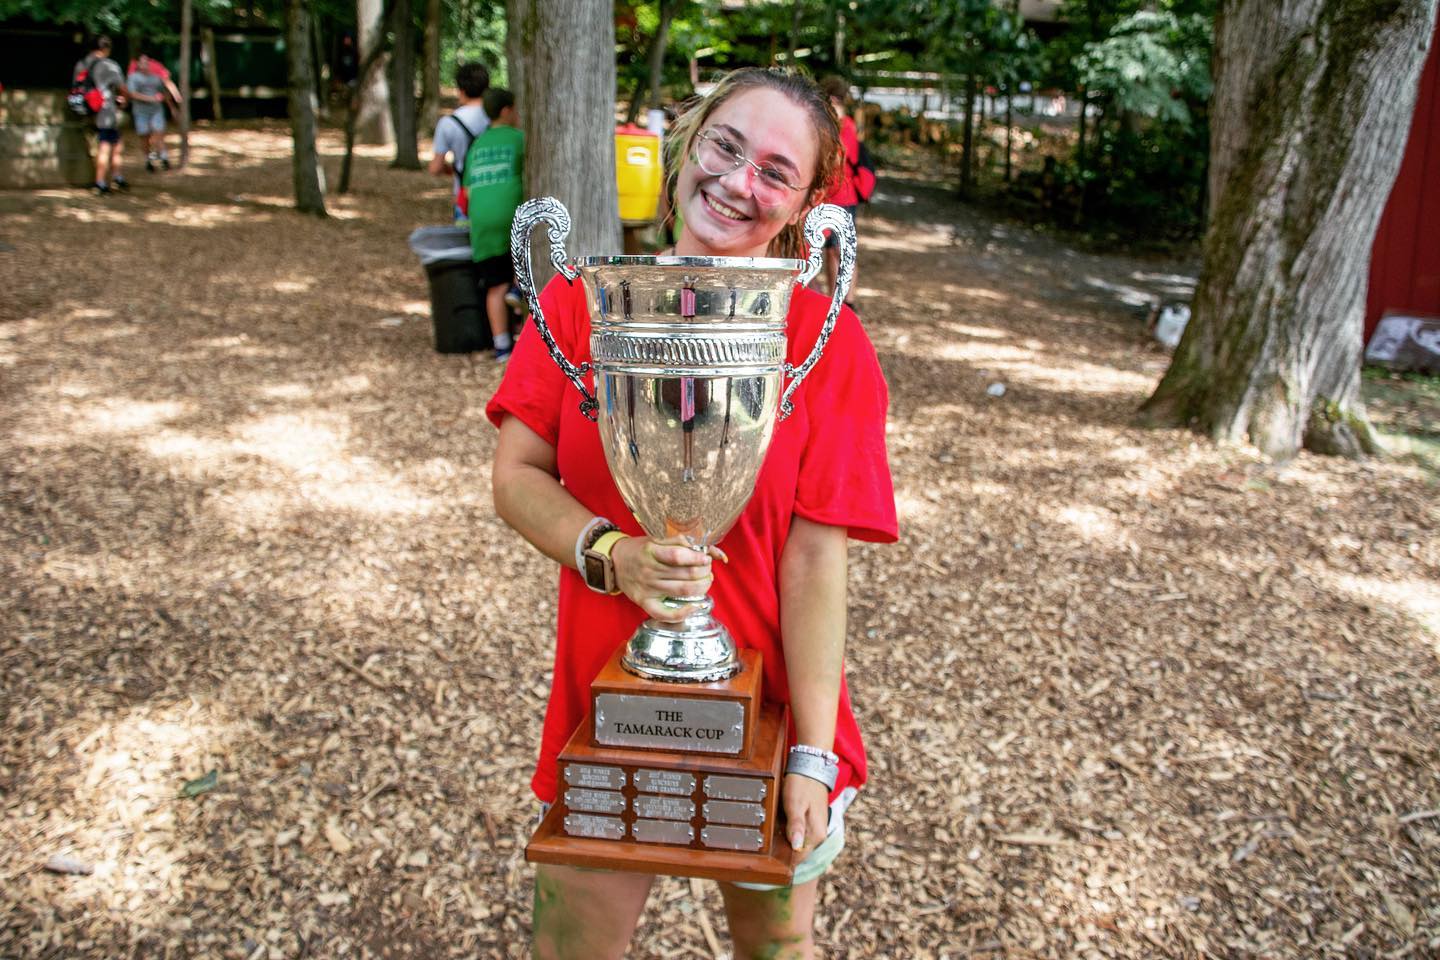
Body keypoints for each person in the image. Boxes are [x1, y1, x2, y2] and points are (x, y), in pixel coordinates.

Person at [487, 67, 897, 959]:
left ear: (802, 207)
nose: (739, 181)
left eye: (777, 173)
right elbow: (515, 475)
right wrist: (609, 554)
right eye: (726, 145)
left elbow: (817, 561)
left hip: (775, 717)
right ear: (688, 142)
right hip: (609, 701)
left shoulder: (827, 339)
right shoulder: (580, 303)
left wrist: (811, 756)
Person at [462, 88, 523, 362]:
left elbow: (466, 193)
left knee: (493, 287)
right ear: (507, 110)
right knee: (524, 265)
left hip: (481, 221)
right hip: (511, 215)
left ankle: (502, 348)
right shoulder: (518, 139)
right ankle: (518, 288)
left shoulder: (476, 145)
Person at [817, 75, 861, 309]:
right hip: (823, 195)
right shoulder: (823, 124)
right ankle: (834, 299)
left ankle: (847, 301)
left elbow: (838, 158)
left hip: (843, 196)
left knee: (841, 250)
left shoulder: (847, 127)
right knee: (825, 251)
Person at [428, 61, 490, 224]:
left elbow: (435, 168)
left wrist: (453, 169)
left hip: (465, 198)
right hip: (496, 194)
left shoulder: (448, 123)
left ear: (461, 90)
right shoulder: (496, 118)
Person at [75, 36, 129, 195]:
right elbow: (122, 88)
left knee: (98, 145)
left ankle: (113, 177)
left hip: (85, 110)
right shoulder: (110, 65)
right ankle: (102, 182)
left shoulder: (81, 64)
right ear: (106, 49)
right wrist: (124, 101)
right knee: (110, 146)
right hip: (105, 111)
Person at [127, 49, 182, 172]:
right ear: (138, 64)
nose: (145, 65)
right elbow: (132, 94)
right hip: (141, 112)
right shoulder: (133, 78)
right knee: (144, 137)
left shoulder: (156, 78)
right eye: (142, 62)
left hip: (156, 110)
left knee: (158, 133)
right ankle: (148, 160)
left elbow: (164, 92)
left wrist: (173, 106)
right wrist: (151, 98)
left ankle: (164, 158)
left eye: (147, 62)